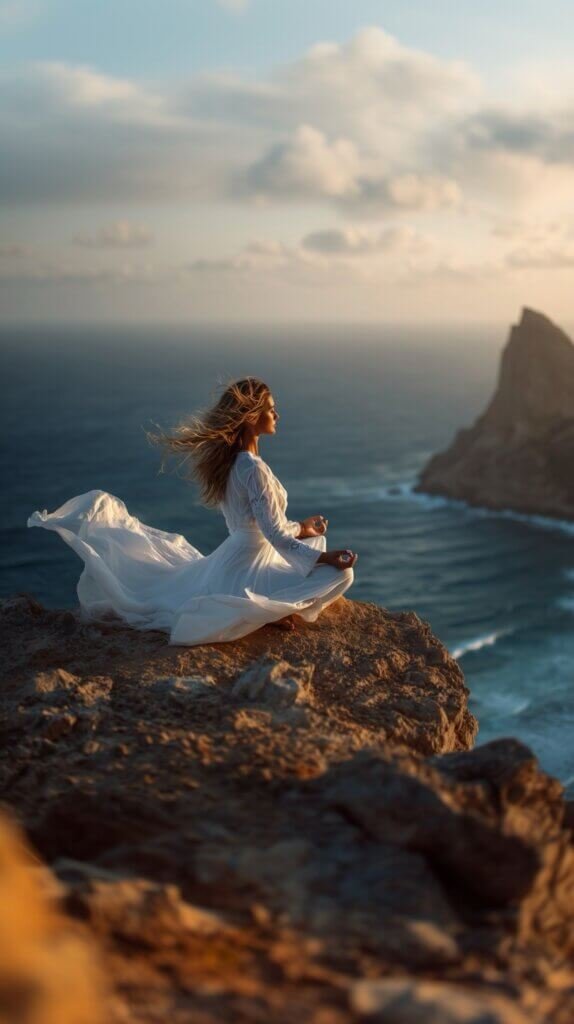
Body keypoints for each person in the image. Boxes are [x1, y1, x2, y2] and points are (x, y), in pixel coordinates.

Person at [27, 377, 357, 645]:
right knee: (341, 573)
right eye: (271, 409)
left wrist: (304, 528)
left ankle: (269, 610)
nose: (277, 415)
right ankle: (266, 613)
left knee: (316, 553)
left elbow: (258, 526)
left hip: (237, 557)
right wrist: (320, 559)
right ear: (251, 417)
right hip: (249, 563)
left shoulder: (232, 464)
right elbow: (271, 533)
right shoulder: (252, 469)